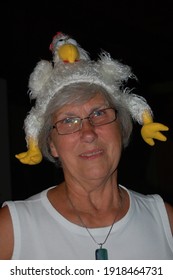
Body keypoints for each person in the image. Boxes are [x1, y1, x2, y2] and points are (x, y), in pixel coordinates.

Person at [0, 32, 172, 260]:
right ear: (51, 145)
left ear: (120, 128)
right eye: (68, 120)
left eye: (99, 113)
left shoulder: (165, 221)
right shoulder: (12, 229)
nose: (88, 133)